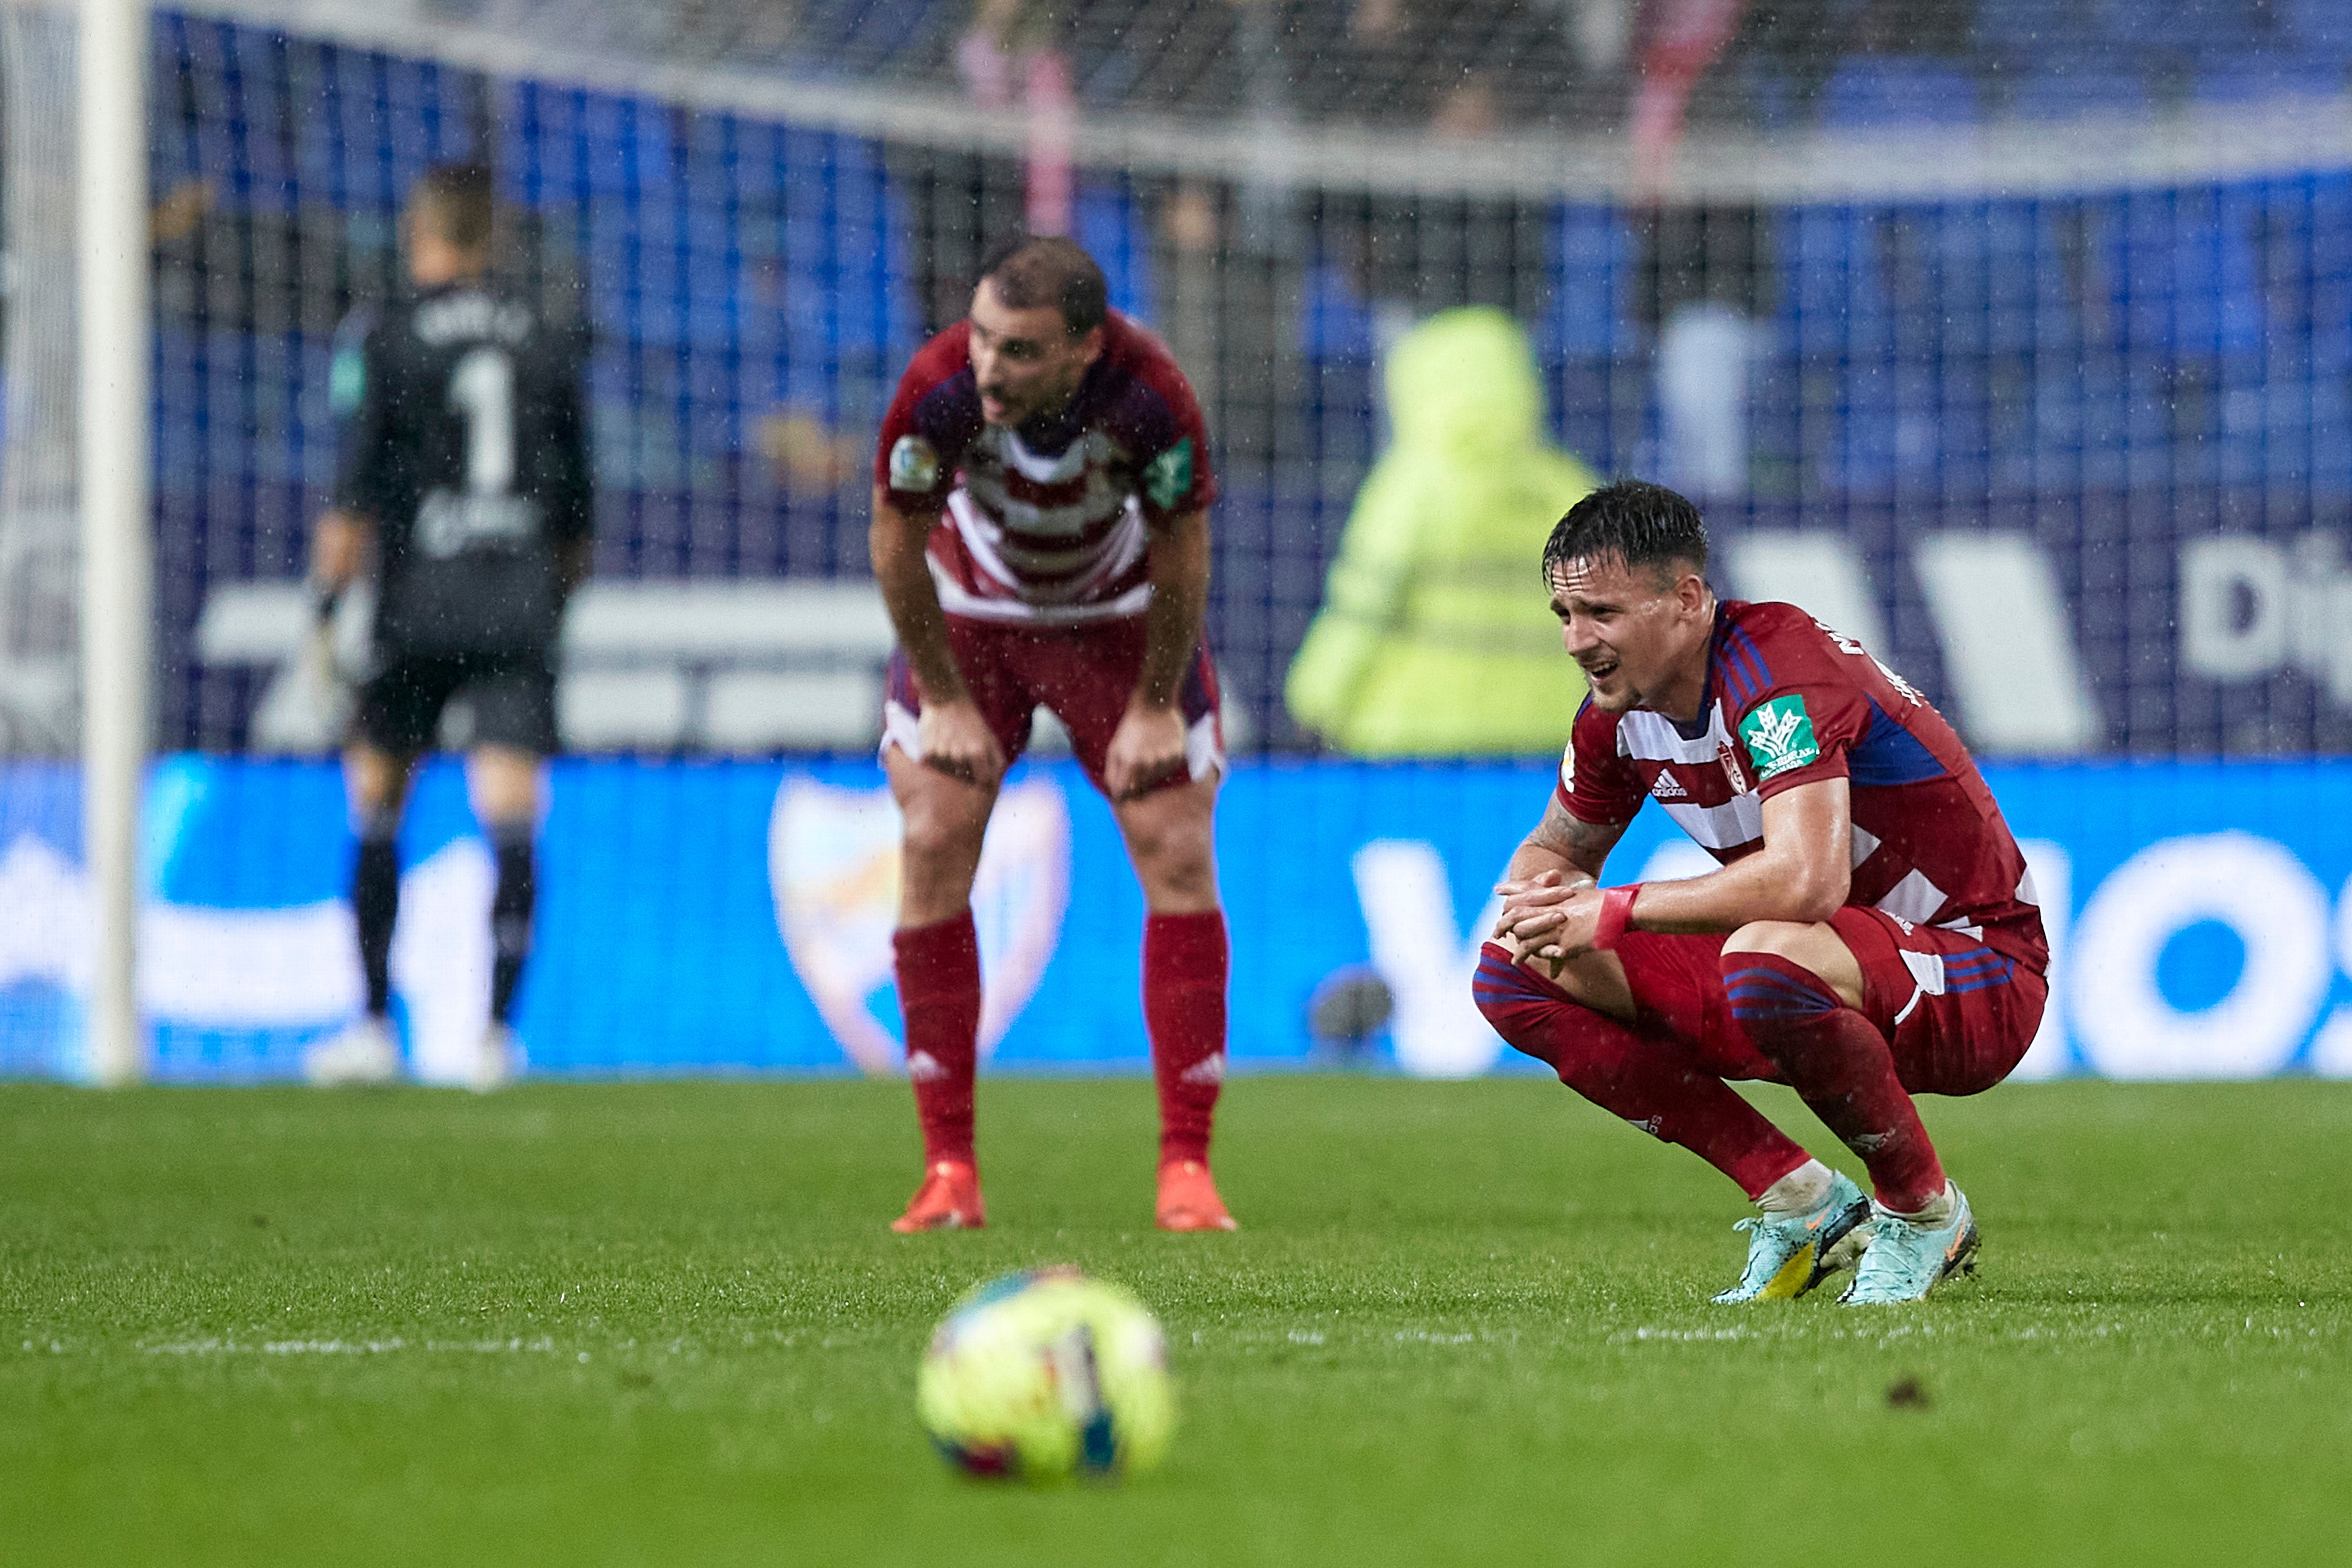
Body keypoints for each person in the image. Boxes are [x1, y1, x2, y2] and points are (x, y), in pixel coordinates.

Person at [1475, 480, 2047, 1305]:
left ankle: (1924, 1213)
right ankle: (1803, 1201)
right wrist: (1537, 900)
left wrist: (1615, 906)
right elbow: (1559, 846)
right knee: (1514, 971)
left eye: (1601, 611)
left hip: (1981, 973)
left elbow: (1809, 879)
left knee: (1766, 953)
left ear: (1687, 598)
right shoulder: (1617, 712)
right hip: (1810, 959)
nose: (1576, 639)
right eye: (1564, 614)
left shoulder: (1778, 672)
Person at [870, 235, 1235, 1234]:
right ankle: (948, 1169)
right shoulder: (938, 387)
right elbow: (894, 538)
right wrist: (942, 696)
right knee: (934, 836)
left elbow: (1183, 552)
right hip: (973, 620)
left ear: (1083, 349)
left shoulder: (1152, 397)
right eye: (985, 337)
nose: (990, 364)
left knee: (1176, 845)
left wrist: (1156, 704)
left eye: (1021, 350)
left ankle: (1186, 1170)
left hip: (1115, 625)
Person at [300, 162, 593, 1091]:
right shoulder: (546, 338)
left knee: (379, 798)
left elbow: (352, 495)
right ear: (493, 237)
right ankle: (496, 1039)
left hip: (415, 602)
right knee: (510, 809)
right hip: (515, 599)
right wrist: (548, 602)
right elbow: (579, 515)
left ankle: (375, 1027)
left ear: (418, 230)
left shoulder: (385, 335)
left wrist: (323, 611)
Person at [1285, 306, 1597, 754]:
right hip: (1546, 737)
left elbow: (1361, 608)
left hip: (1415, 738)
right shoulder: (1569, 489)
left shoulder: (1411, 487)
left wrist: (1315, 700)